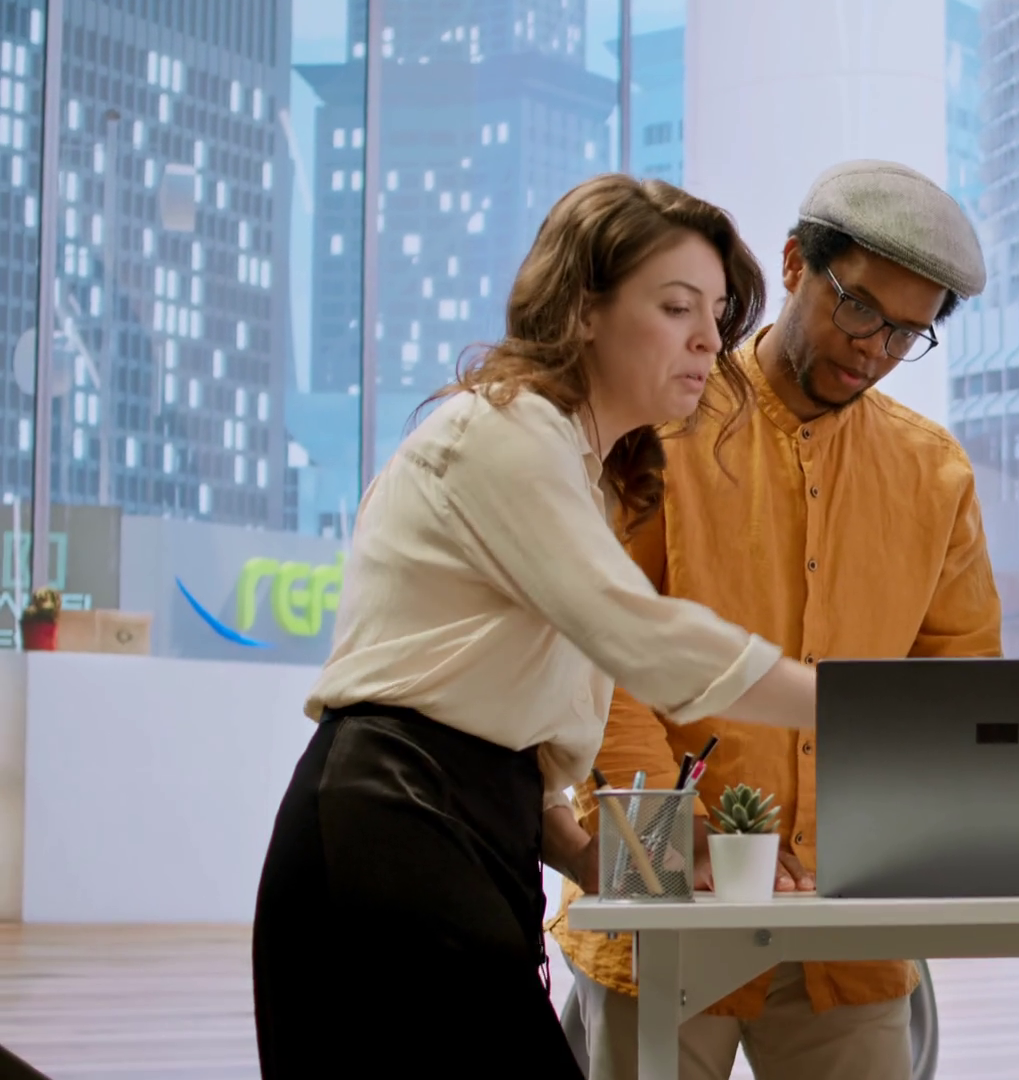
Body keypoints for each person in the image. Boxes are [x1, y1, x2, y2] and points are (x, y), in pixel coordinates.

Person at [251, 175, 820, 1080]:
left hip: (461, 825)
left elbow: (511, 720)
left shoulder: (580, 473)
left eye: (716, 315)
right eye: (677, 307)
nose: (711, 340)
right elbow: (643, 639)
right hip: (390, 823)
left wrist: (586, 852)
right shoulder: (504, 432)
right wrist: (849, 707)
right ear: (583, 310)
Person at [549, 159, 1000, 1080]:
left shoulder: (935, 473)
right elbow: (601, 664)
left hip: (850, 924)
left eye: (907, 333)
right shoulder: (656, 424)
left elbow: (953, 697)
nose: (874, 349)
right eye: (859, 309)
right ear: (795, 263)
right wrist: (668, 852)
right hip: (668, 903)